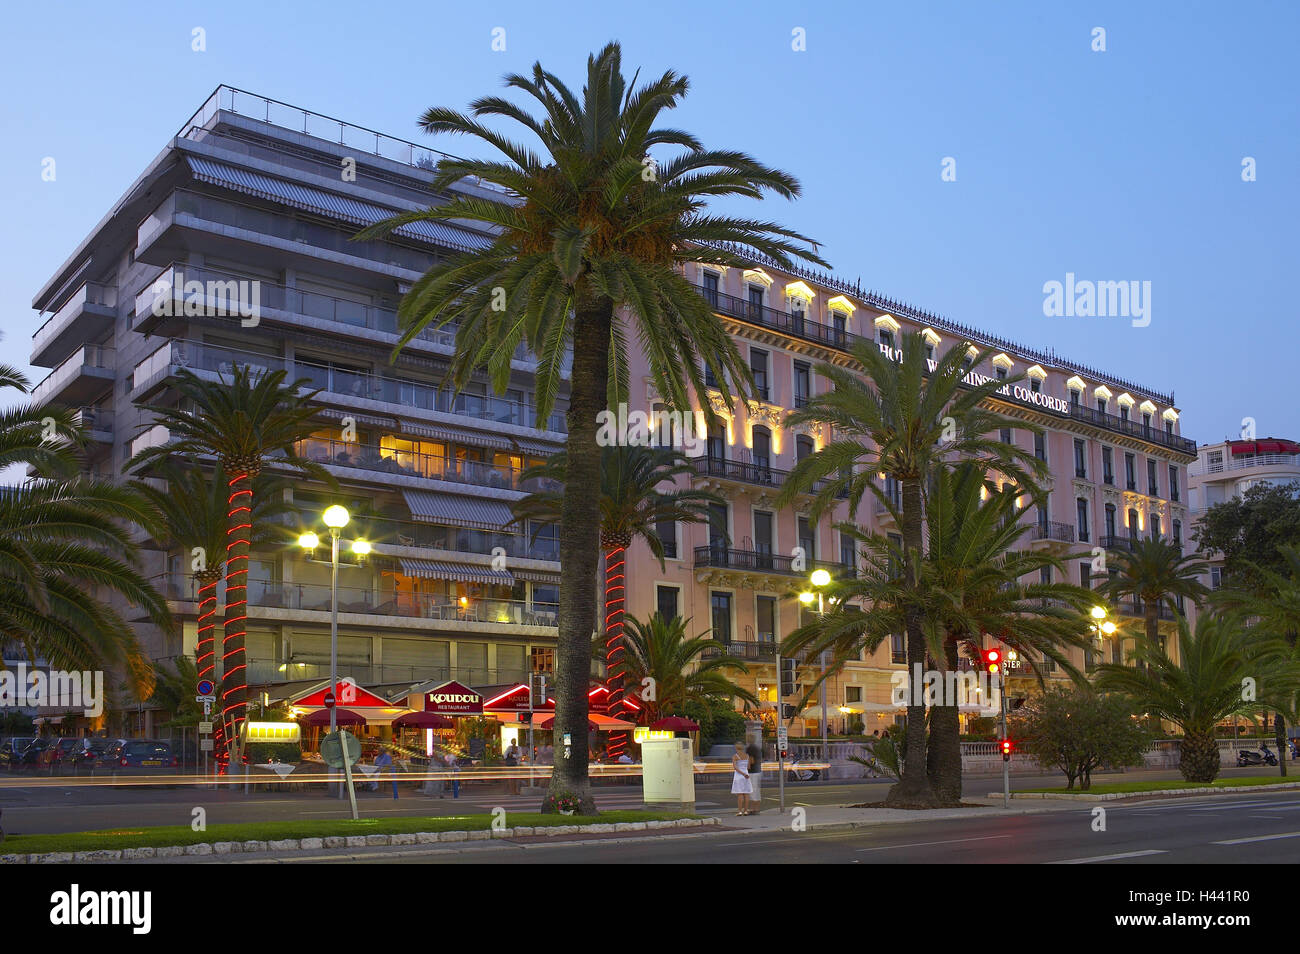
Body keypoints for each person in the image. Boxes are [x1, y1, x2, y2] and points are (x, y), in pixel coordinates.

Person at [731, 741, 753, 816]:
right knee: (746, 794)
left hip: (739, 776)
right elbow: (749, 767)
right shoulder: (747, 756)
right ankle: (746, 811)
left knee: (740, 794)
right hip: (746, 775)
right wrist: (745, 773)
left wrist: (742, 773)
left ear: (736, 748)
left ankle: (740, 811)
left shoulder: (735, 756)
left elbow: (735, 767)